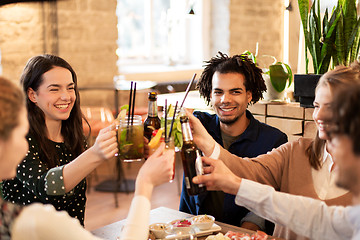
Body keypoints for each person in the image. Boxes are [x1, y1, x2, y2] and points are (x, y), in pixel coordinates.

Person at [186, 62, 360, 239]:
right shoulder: (294, 151)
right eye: (316, 106)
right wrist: (205, 142)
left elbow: (317, 219)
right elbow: (250, 170)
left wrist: (236, 185)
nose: (318, 116)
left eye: (330, 107)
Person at [0, 76, 176, 239]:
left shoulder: (72, 137)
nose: (66, 96)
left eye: (70, 88)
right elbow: (45, 185)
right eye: (21, 133)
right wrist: (145, 183)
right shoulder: (33, 222)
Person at [179, 52, 288, 233]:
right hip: (191, 229)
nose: (225, 100)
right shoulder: (197, 125)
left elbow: (266, 200)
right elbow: (156, 132)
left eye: (235, 92)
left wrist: (239, 235)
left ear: (249, 96)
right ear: (210, 95)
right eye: (218, 92)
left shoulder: (273, 140)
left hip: (242, 234)